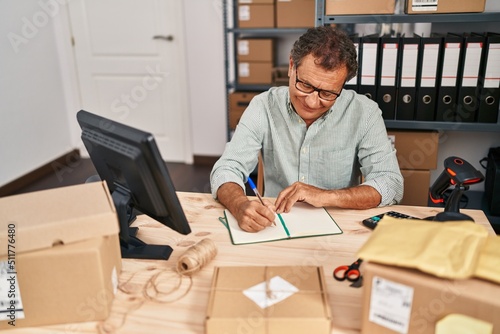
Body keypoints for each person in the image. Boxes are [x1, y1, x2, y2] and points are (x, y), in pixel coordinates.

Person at [210, 26, 403, 232]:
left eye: (328, 94)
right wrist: (239, 204)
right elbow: (227, 168)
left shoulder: (364, 113)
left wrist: (326, 196)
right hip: (275, 225)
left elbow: (391, 183)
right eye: (305, 85)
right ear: (292, 66)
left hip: (339, 227)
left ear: (343, 86)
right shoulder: (263, 105)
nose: (311, 102)